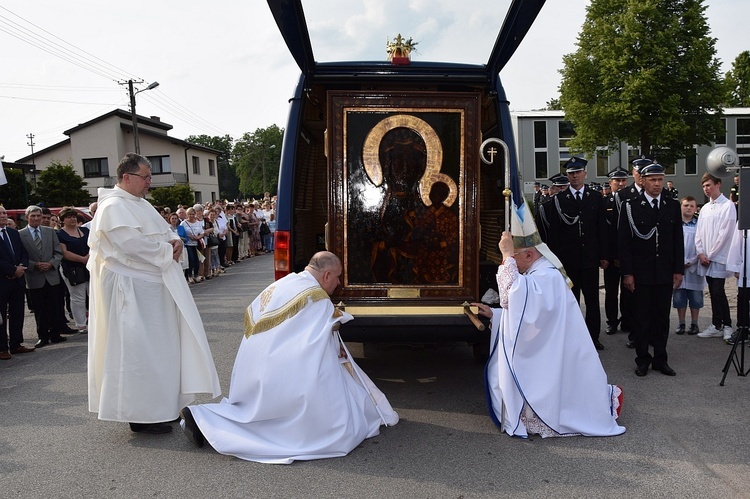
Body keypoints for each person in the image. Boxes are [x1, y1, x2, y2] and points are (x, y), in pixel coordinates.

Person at [180, 251, 399, 463]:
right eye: (338, 277)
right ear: (327, 276)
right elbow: (320, 340)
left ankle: (203, 419)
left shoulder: (284, 284)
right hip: (277, 374)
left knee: (252, 413)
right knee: (329, 423)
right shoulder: (317, 298)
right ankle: (205, 419)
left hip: (250, 370)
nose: (339, 283)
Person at [87, 153, 220, 434]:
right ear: (127, 177)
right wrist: (165, 251)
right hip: (131, 289)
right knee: (138, 351)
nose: (150, 182)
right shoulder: (113, 206)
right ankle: (142, 415)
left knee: (161, 348)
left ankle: (161, 407)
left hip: (152, 285)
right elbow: (129, 243)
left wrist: (174, 242)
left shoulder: (139, 204)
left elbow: (163, 233)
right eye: (146, 177)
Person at [474, 222, 624, 438]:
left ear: (529, 254)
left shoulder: (547, 276)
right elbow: (524, 311)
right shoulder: (540, 273)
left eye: (515, 257)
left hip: (555, 352)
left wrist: (507, 255)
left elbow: (512, 296)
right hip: (550, 346)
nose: (511, 262)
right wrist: (495, 315)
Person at [619, 163, 683, 376]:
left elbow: (677, 240)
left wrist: (678, 269)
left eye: (660, 179)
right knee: (642, 318)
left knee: (662, 318)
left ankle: (660, 359)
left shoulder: (672, 205)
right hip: (641, 272)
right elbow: (625, 243)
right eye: (653, 180)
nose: (657, 184)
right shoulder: (630, 206)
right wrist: (627, 272)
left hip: (664, 271)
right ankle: (642, 359)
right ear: (643, 181)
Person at [546, 157, 607, 350]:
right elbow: (554, 233)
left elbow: (601, 229)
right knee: (570, 301)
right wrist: (555, 261)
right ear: (567, 175)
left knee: (592, 300)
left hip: (589, 258)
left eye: (578, 172)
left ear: (585, 174)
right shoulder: (559, 200)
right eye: (571, 173)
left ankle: (593, 337)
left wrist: (603, 255)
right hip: (568, 260)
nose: (575, 176)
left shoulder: (596, 197)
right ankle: (571, 337)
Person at [19, 205, 69, 347]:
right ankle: (43, 336)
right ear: (27, 217)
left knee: (55, 306)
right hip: (34, 277)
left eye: (38, 216)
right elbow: (20, 256)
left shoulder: (50, 232)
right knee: (39, 309)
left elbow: (58, 252)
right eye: (33, 216)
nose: (36, 218)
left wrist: (51, 264)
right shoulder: (20, 234)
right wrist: (33, 265)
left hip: (52, 275)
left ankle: (55, 333)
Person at [695, 173, 736, 342]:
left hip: (718, 257)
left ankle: (727, 325)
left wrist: (710, 255)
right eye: (703, 186)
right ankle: (716, 324)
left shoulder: (727, 206)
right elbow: (699, 232)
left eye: (709, 185)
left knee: (719, 291)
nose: (706, 189)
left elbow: (725, 234)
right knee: (712, 291)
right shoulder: (704, 208)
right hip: (706, 257)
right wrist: (700, 252)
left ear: (718, 184)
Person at [0, 206, 34, 360]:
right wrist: (12, 270)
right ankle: (2, 348)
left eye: (4, 213)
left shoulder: (13, 233)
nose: (2, 215)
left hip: (18, 281)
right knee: (1, 316)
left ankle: (16, 344)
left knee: (17, 312)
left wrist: (21, 267)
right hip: (2, 281)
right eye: (0, 213)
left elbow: (23, 253)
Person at [602, 167, 629, 335]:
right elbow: (604, 233)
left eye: (623, 180)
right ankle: (612, 321)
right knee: (611, 292)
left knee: (628, 292)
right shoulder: (604, 203)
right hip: (611, 257)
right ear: (610, 183)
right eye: (616, 181)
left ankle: (627, 320)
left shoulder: (632, 201)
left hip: (627, 257)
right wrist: (606, 256)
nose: (620, 184)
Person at [673, 196, 704, 336]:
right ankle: (681, 323)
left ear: (696, 208)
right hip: (678, 266)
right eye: (686, 205)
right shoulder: (675, 224)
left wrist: (691, 260)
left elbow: (702, 245)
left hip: (694, 265)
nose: (688, 208)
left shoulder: (700, 225)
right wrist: (679, 262)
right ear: (681, 207)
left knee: (695, 297)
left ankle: (694, 324)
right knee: (679, 296)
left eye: (691, 206)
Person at [56, 206, 90, 333]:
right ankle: (81, 324)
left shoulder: (85, 231)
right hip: (72, 269)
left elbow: (93, 245)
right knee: (78, 297)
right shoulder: (60, 234)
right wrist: (82, 259)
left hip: (89, 267)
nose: (72, 219)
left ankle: (94, 320)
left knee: (92, 295)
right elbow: (64, 253)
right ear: (63, 220)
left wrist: (88, 257)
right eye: (69, 217)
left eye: (74, 216)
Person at [181, 207, 205, 284]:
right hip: (188, 244)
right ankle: (189, 276)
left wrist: (198, 237)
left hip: (196, 243)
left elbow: (202, 232)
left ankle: (196, 275)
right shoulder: (183, 223)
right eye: (189, 214)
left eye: (192, 214)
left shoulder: (197, 223)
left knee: (197, 260)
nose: (191, 216)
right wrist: (188, 236)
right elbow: (180, 234)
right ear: (187, 215)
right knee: (190, 259)